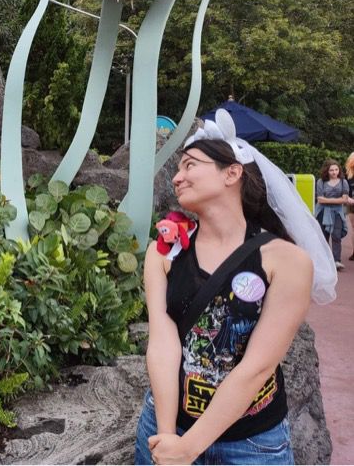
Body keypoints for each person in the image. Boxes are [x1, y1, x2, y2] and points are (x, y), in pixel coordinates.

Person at [135, 111, 337, 465]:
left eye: (190, 165)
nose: (178, 178)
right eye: (178, 170)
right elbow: (163, 343)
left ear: (232, 172)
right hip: (166, 427)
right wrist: (168, 438)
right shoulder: (164, 251)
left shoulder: (286, 261)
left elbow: (256, 368)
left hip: (252, 445)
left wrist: (189, 448)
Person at [314, 159, 349, 271]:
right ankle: (324, 260)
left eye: (336, 169)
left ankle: (336, 261)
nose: (334, 172)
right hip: (322, 212)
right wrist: (337, 200)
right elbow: (320, 200)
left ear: (339, 170)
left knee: (336, 236)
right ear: (327, 171)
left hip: (337, 213)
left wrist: (327, 199)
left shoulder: (344, 182)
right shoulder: (320, 182)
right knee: (323, 237)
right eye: (331, 170)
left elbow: (344, 200)